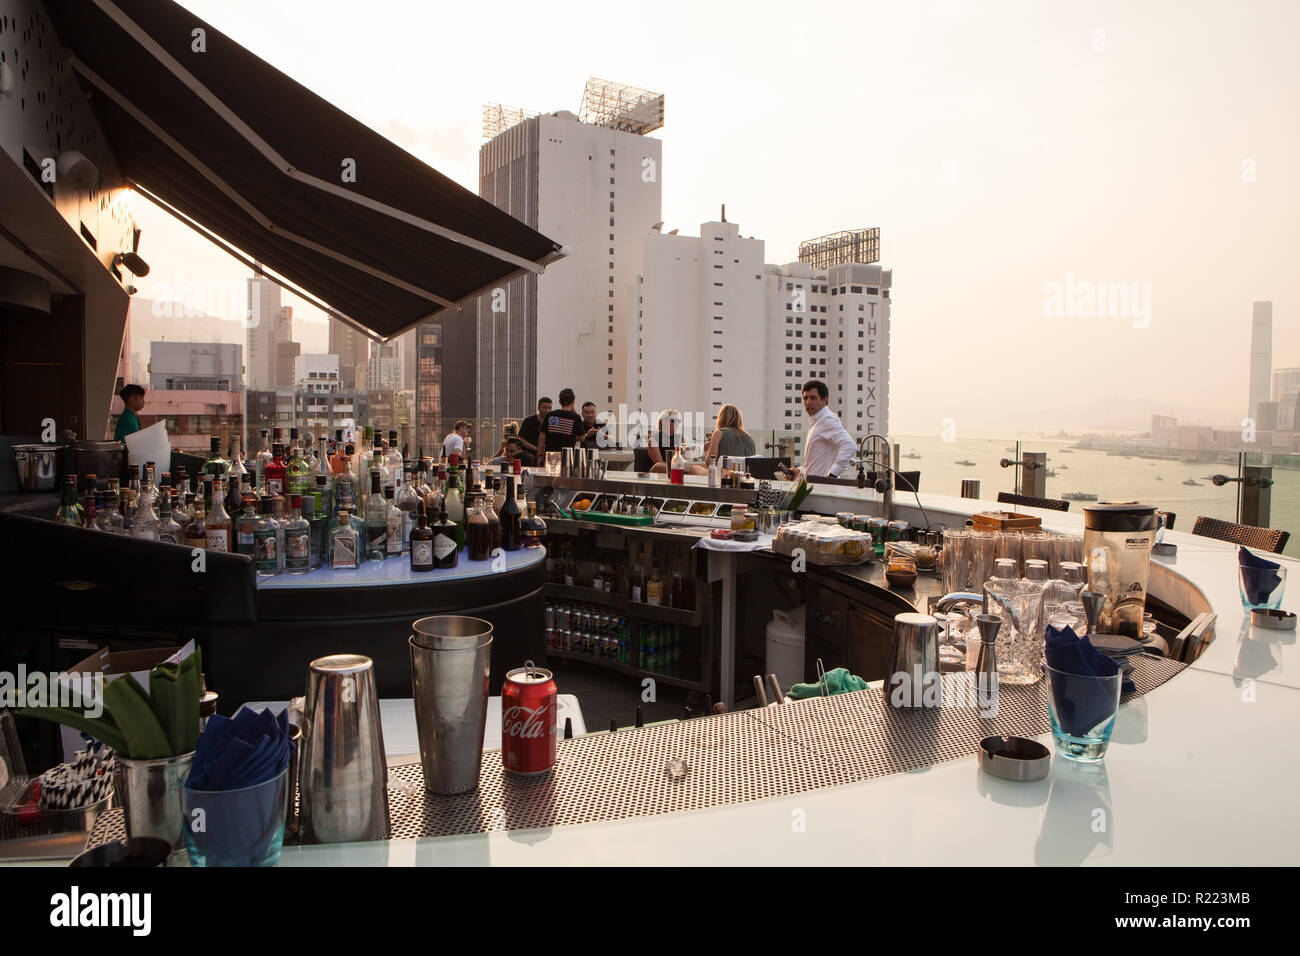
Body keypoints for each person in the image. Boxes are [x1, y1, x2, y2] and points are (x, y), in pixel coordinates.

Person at [786, 379, 856, 480]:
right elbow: (817, 461)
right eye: (805, 398)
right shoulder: (816, 421)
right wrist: (799, 471)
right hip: (813, 486)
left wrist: (832, 475)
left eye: (813, 398)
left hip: (822, 487)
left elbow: (850, 446)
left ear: (824, 400)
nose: (808, 402)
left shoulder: (827, 419)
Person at [647, 408, 707, 476]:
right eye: (674, 420)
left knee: (699, 468)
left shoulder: (682, 438)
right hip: (661, 472)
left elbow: (689, 459)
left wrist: (690, 449)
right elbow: (659, 463)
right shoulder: (653, 440)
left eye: (679, 421)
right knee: (660, 466)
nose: (678, 423)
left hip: (679, 469)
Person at [537, 388, 584, 456]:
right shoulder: (576, 417)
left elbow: (542, 437)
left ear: (559, 401)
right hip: (567, 456)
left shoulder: (550, 415)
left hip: (551, 455)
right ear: (573, 401)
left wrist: (539, 455)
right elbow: (582, 438)